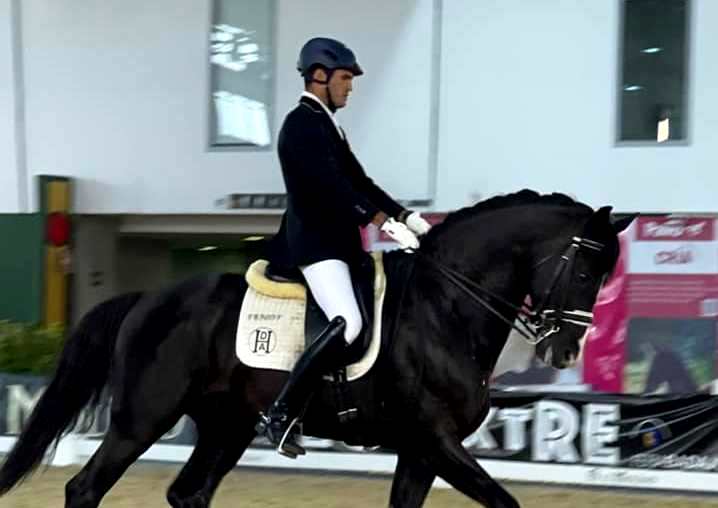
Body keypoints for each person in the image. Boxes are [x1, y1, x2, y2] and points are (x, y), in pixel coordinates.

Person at [256, 37, 432, 457]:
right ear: (319, 76)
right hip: (316, 247)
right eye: (345, 78)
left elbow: (361, 183)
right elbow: (331, 189)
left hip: (342, 246)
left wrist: (407, 217)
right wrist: (382, 223)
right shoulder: (300, 124)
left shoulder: (328, 125)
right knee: (349, 324)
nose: (350, 86)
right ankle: (282, 412)